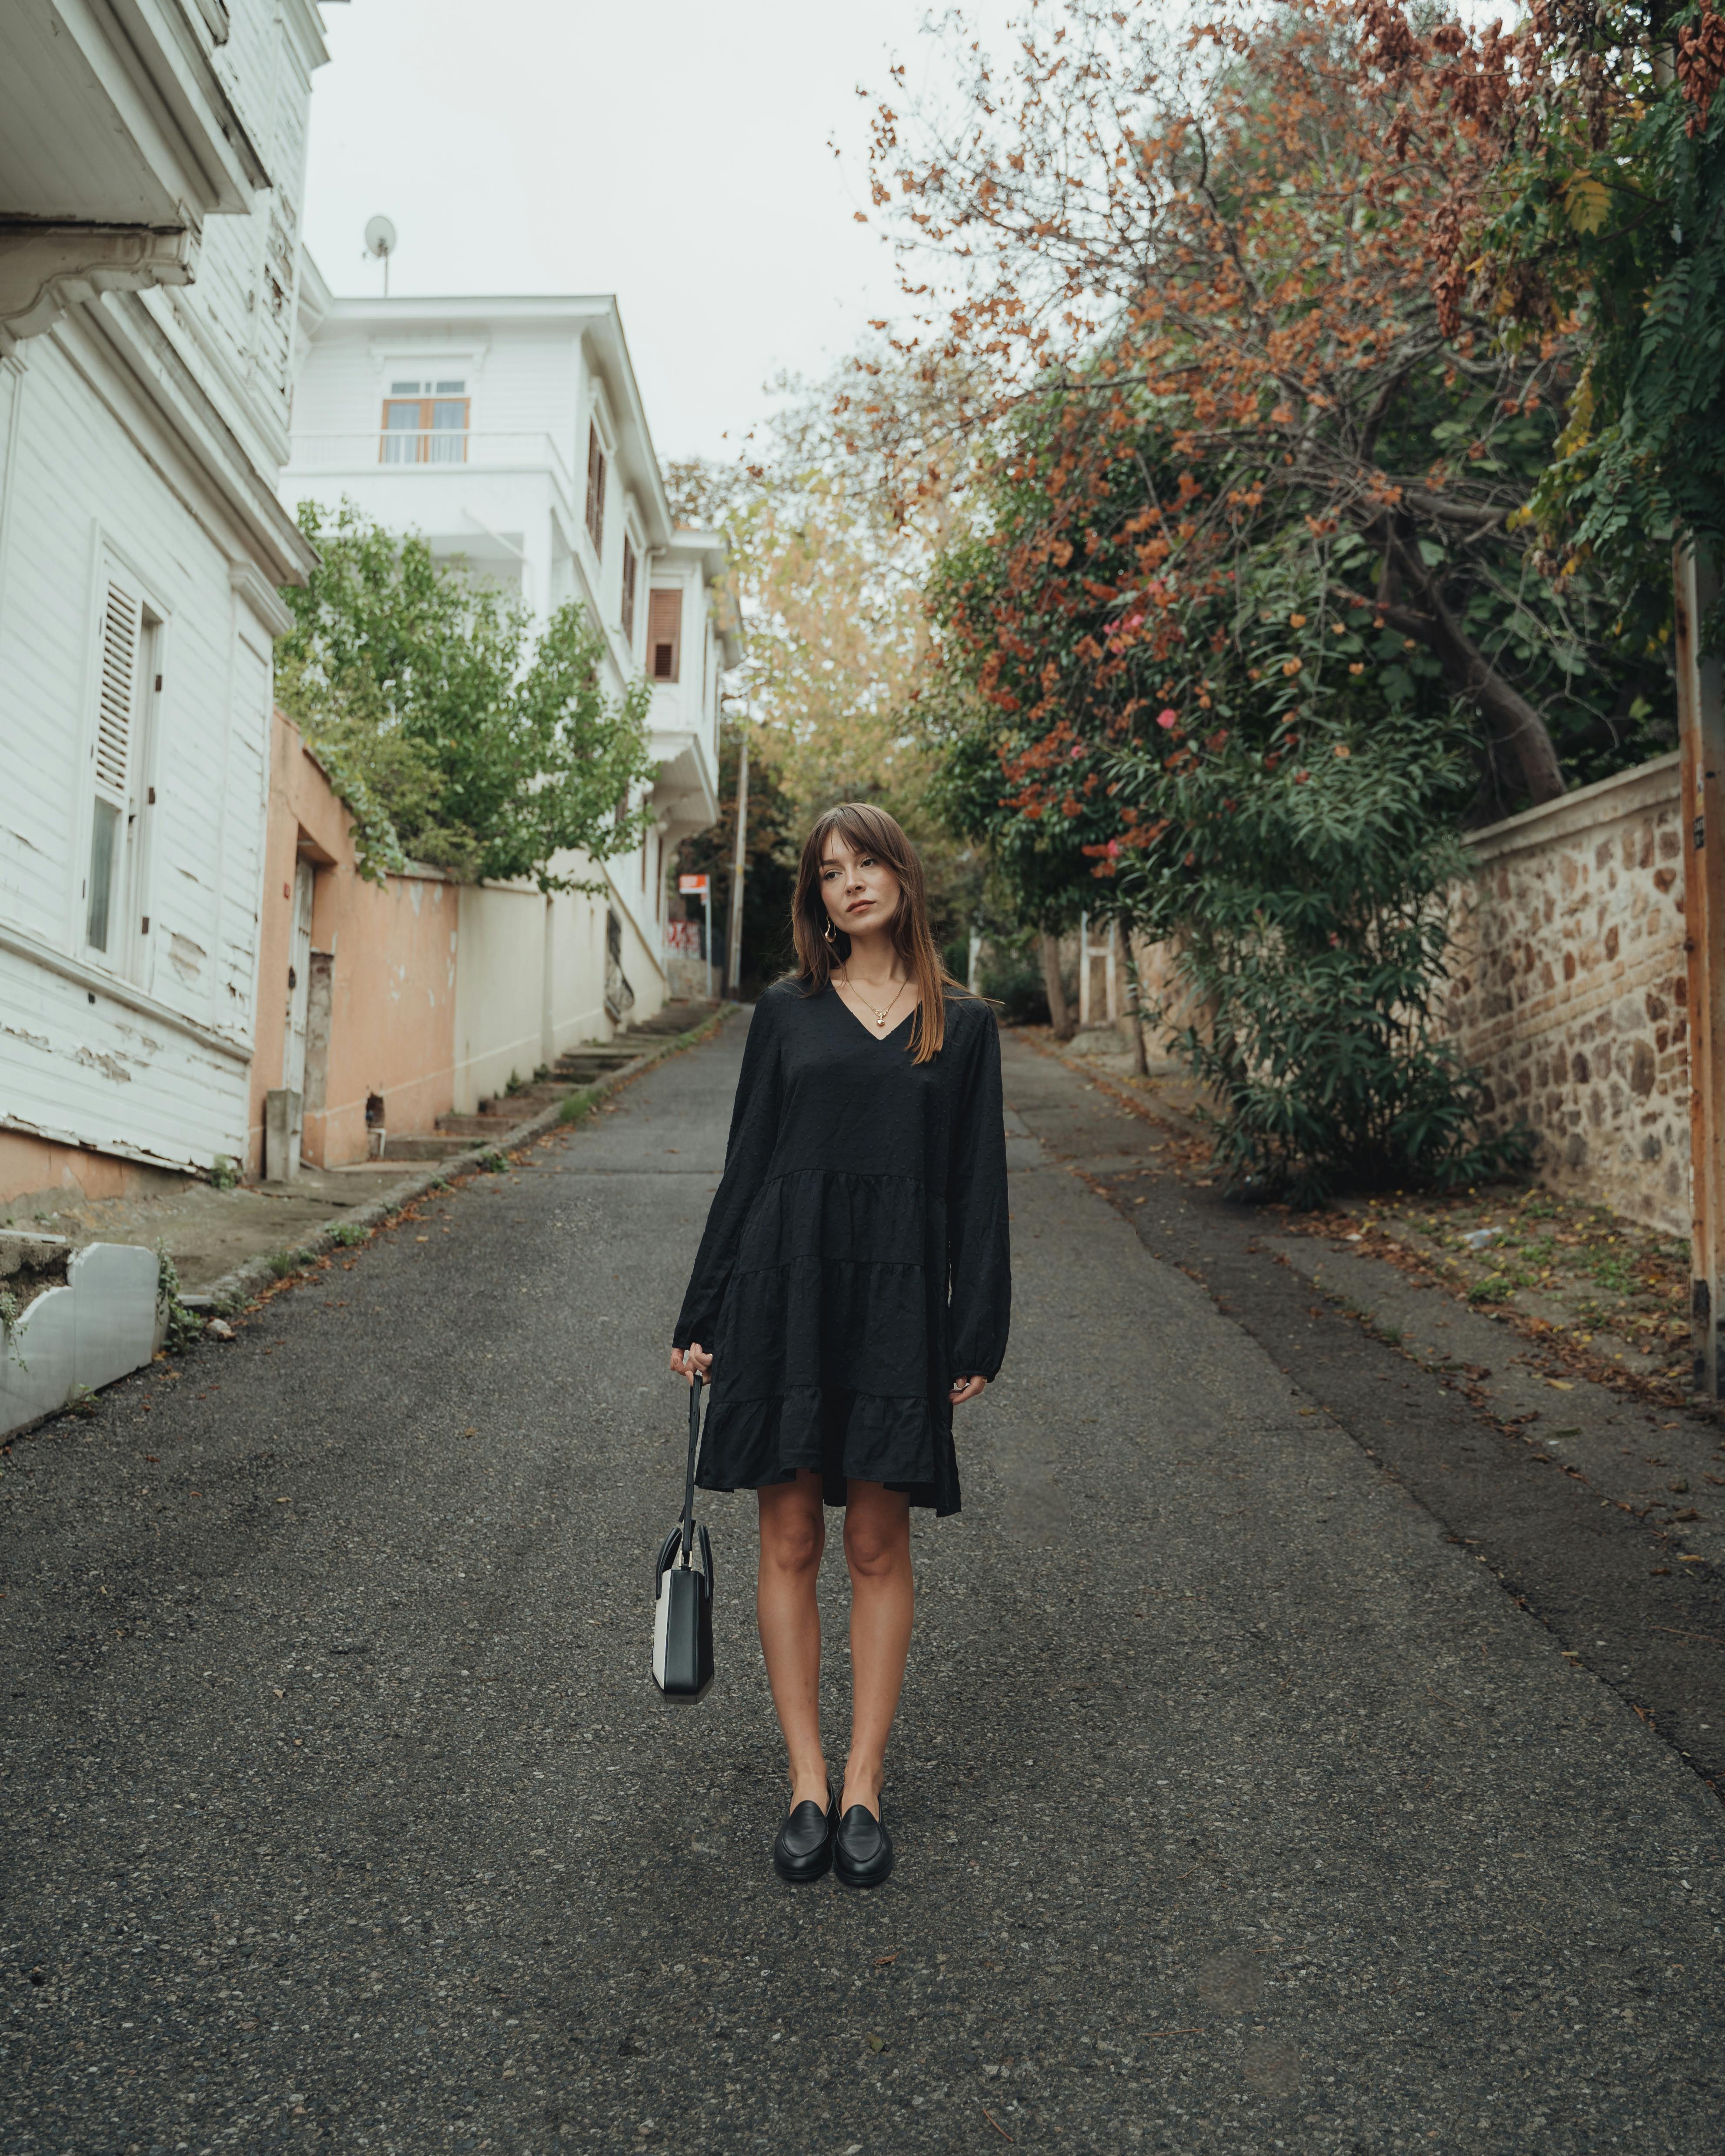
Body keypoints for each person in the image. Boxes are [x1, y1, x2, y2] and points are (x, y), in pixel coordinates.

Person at [669, 802, 1011, 1889]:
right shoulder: (786, 1013)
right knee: (789, 1542)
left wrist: (977, 1326)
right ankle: (806, 1781)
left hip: (898, 1303)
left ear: (904, 875)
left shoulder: (963, 1024)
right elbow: (747, 1163)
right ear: (815, 898)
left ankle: (866, 1782)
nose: (850, 884)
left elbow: (979, 1192)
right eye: (829, 872)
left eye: (867, 863)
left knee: (874, 1542)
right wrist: (705, 1307)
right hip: (787, 1290)